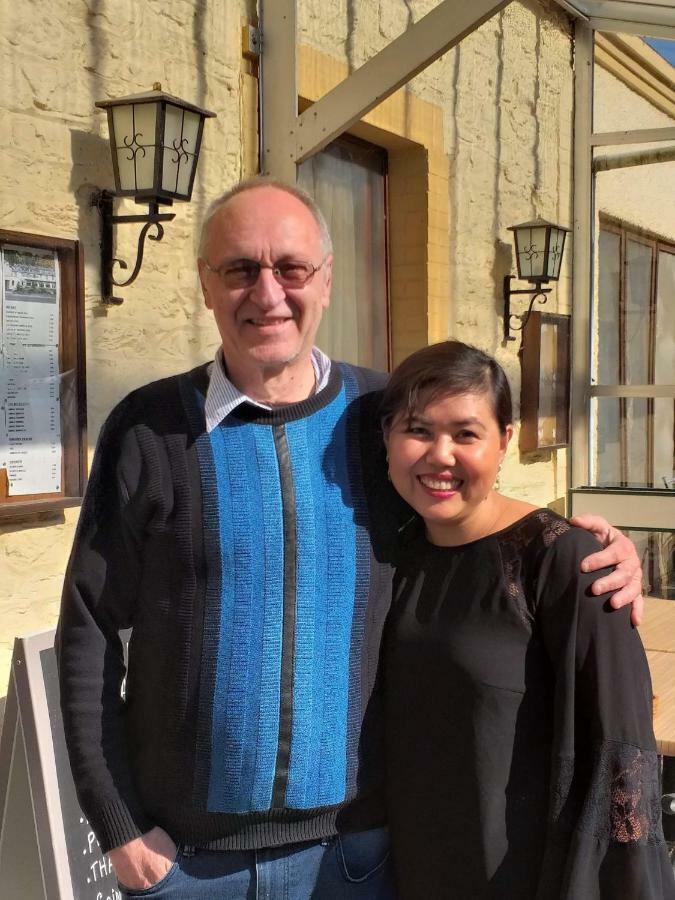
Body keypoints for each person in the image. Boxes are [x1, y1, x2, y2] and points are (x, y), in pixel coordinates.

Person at [56, 178, 643, 899]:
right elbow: (88, 629)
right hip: (185, 861)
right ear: (207, 284)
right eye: (239, 268)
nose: (267, 293)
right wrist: (116, 822)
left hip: (356, 855)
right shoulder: (150, 430)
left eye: (290, 268)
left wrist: (582, 544)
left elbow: (461, 499)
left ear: (325, 282)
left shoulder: (377, 417)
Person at [379, 339, 674, 899]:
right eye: (418, 430)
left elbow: (621, 757)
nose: (440, 455)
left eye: (466, 434)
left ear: (505, 441)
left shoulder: (567, 561)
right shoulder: (389, 555)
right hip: (408, 871)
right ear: (386, 439)